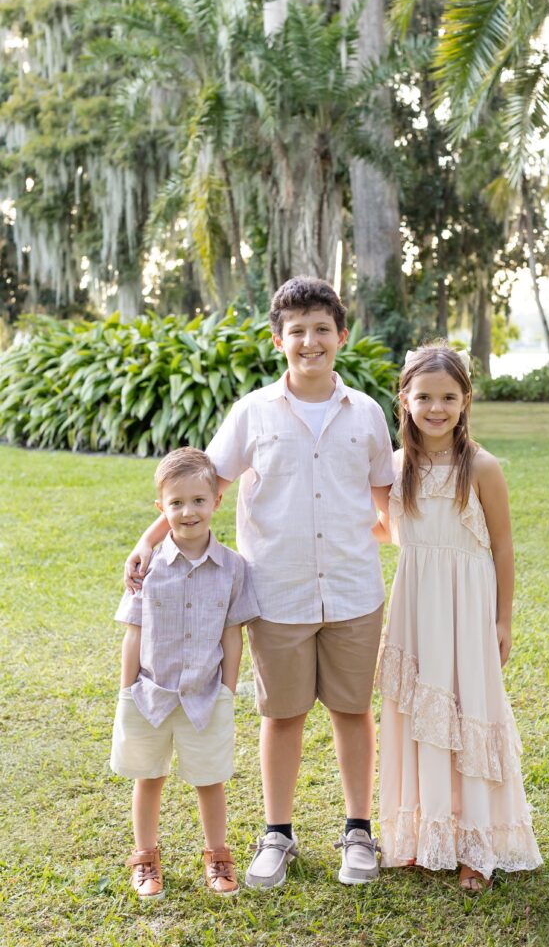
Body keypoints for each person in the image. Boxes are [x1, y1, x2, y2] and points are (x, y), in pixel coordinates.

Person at [124, 277, 395, 889]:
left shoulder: (369, 415)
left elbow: (386, 508)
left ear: (341, 336)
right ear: (279, 340)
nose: (309, 341)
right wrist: (148, 541)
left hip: (354, 591)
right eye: (296, 331)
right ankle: (279, 835)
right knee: (283, 714)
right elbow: (202, 487)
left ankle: (358, 831)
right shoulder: (253, 414)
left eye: (321, 329)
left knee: (353, 711)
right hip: (277, 594)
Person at [374, 344, 542, 891]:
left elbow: (503, 545)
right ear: (405, 399)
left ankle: (477, 846)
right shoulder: (397, 468)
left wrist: (503, 620)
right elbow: (388, 529)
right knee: (419, 717)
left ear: (466, 399)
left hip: (468, 609)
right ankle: (426, 836)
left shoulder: (483, 468)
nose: (436, 407)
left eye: (448, 396)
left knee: (470, 715)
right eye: (424, 396)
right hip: (416, 606)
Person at [111, 447, 260, 901]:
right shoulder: (147, 566)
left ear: (217, 501)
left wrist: (227, 692)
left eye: (198, 500)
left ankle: (217, 855)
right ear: (161, 509)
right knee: (148, 776)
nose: (188, 511)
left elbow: (233, 636)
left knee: (209, 779)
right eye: (176, 503)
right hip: (150, 693)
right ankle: (145, 856)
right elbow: (133, 633)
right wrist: (126, 690)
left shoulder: (234, 568)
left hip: (205, 694)